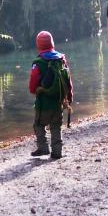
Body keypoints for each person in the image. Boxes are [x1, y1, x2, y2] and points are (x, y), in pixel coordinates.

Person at [29, 31, 73, 160]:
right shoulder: (61, 59)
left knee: (38, 124)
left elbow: (33, 81)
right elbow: (68, 80)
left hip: (43, 103)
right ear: (52, 43)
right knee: (56, 126)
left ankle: (43, 148)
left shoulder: (38, 62)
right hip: (58, 102)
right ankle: (57, 152)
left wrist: (34, 90)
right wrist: (69, 98)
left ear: (39, 46)